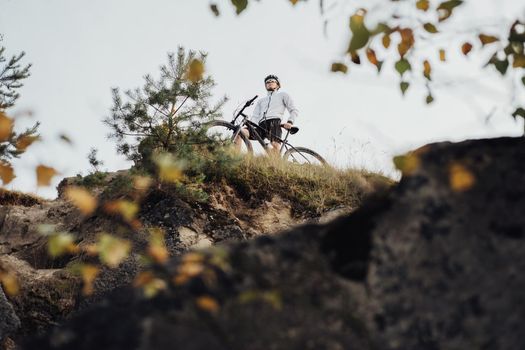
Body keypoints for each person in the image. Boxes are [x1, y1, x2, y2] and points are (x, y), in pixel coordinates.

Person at [236, 74, 298, 155]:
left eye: (272, 81)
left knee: (274, 148)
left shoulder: (283, 95)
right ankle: (234, 157)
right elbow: (255, 116)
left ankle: (277, 165)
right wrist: (250, 125)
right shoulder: (261, 101)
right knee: (239, 132)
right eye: (267, 82)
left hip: (274, 123)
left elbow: (294, 110)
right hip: (260, 125)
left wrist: (290, 122)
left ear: (278, 84)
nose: (270, 83)